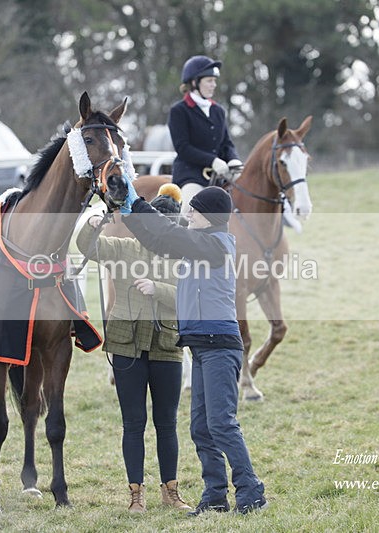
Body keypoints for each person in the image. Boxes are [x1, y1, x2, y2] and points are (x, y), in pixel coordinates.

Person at [120, 183, 268, 516]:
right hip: (202, 347)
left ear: (210, 217)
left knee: (221, 424)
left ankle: (251, 489)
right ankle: (215, 496)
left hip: (219, 345)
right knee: (201, 428)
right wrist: (126, 206)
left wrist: (136, 200)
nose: (187, 214)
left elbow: (170, 232)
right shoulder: (197, 245)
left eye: (194, 210)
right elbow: (156, 239)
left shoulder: (216, 245)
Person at [76, 184, 191, 513]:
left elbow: (187, 298)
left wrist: (158, 289)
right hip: (127, 346)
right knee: (133, 423)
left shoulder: (183, 255)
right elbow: (86, 247)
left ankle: (171, 491)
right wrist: (94, 224)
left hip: (167, 346)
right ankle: (135, 495)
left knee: (167, 423)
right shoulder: (123, 247)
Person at [168, 55, 242, 215]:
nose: (213, 85)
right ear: (194, 82)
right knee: (189, 210)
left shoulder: (218, 110)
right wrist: (212, 160)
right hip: (191, 176)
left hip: (221, 174)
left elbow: (226, 143)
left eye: (214, 81)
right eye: (209, 81)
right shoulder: (179, 111)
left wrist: (233, 159)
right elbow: (183, 148)